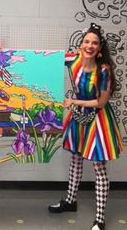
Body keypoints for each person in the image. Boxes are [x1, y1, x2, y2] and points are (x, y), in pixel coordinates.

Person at [48, 23, 123, 230]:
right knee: (76, 160)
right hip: (80, 118)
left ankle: (99, 219)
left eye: (95, 43)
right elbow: (48, 58)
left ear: (100, 48)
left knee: (99, 168)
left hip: (98, 119)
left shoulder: (104, 70)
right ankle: (70, 201)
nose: (90, 46)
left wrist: (73, 102)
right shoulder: (74, 60)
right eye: (87, 41)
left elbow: (100, 103)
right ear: (81, 44)